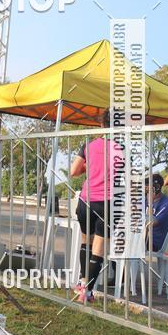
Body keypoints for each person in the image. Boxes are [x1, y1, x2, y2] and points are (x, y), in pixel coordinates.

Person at [70, 109, 122, 303]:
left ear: (102, 124)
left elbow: (74, 171)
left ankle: (83, 284)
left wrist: (89, 166)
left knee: (86, 242)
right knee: (98, 249)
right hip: (109, 203)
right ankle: (87, 291)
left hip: (87, 200)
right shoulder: (122, 149)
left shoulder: (89, 146)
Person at [145, 173, 168, 251]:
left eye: (148, 186)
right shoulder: (144, 200)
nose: (146, 189)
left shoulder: (166, 203)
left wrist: (150, 203)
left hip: (154, 242)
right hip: (143, 238)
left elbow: (150, 223)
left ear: (156, 188)